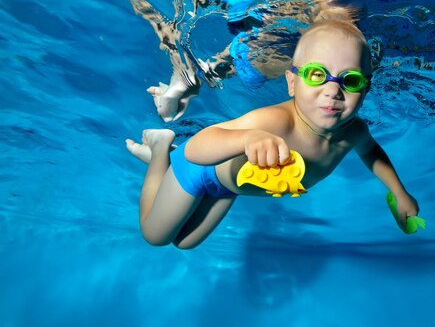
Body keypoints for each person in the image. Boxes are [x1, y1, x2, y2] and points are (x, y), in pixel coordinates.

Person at [125, 19, 419, 249]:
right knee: (157, 237)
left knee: (185, 243)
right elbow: (196, 149)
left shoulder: (354, 131)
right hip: (198, 169)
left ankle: (165, 156)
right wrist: (247, 139)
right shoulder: (274, 122)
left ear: (365, 90)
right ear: (292, 82)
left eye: (350, 80)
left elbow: (372, 153)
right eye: (317, 74)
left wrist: (399, 192)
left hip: (230, 187)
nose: (333, 90)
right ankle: (161, 149)